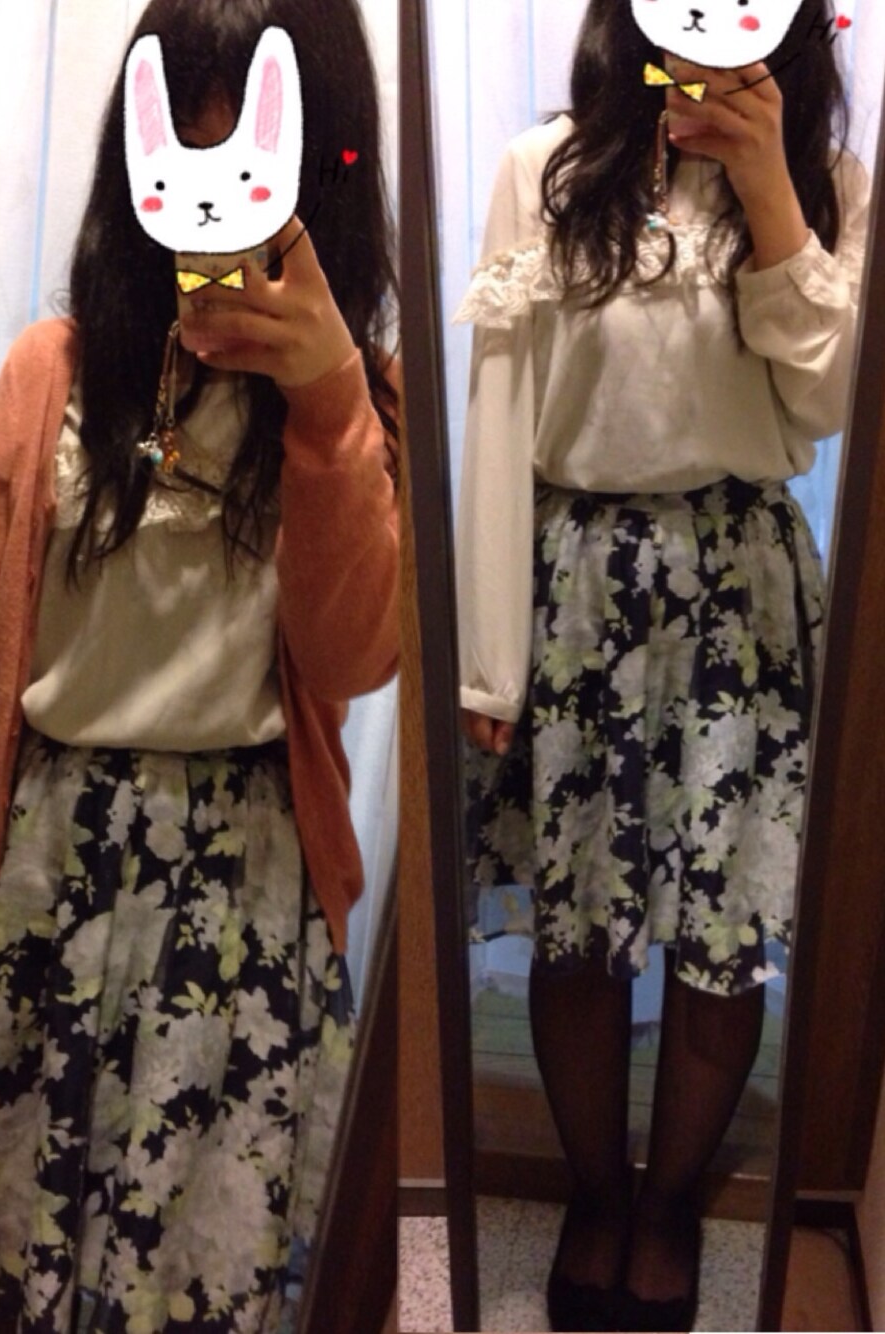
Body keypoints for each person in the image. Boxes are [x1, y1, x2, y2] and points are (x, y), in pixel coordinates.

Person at [0, 0, 398, 1330]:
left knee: (193, 1287)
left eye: (253, 172)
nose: (213, 218)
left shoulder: (360, 399)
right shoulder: (49, 375)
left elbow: (354, 655)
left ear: (320, 173)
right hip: (50, 866)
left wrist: (330, 398)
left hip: (245, 891)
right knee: (24, 1270)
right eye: (184, 161)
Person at [455, 1, 867, 1329]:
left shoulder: (830, 181)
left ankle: (672, 1203)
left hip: (742, 594)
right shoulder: (547, 168)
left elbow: (827, 400)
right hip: (576, 584)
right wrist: (488, 661)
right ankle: (594, 1191)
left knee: (718, 941)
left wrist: (769, 185)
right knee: (578, 932)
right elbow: (498, 415)